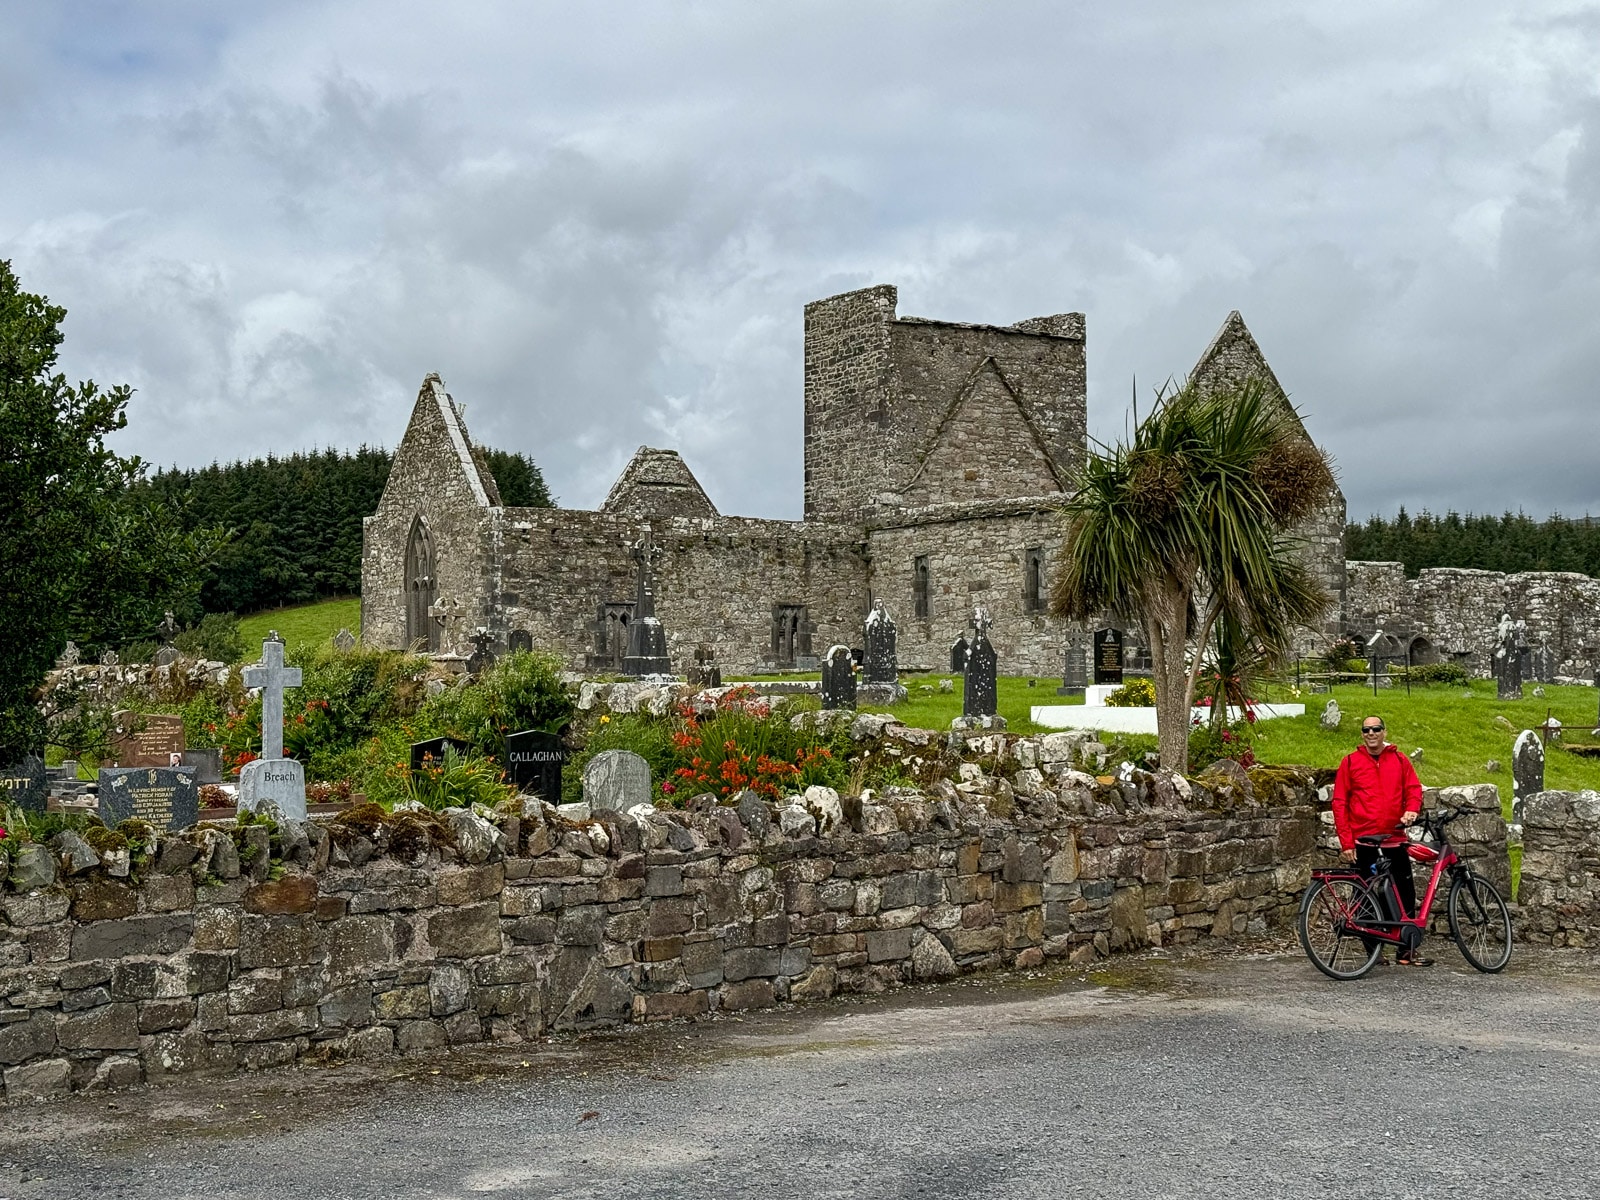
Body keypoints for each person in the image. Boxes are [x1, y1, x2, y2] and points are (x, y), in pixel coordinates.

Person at [1330, 716, 1427, 965]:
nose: (1371, 733)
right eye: (1366, 730)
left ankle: (1407, 950)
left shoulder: (1399, 759)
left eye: (1376, 729)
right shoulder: (1350, 762)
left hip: (1394, 839)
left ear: (1384, 732)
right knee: (1363, 897)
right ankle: (1373, 952)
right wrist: (1347, 842)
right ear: (1362, 734)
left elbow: (1413, 789)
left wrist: (1412, 809)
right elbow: (1340, 802)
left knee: (1405, 893)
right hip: (1364, 842)